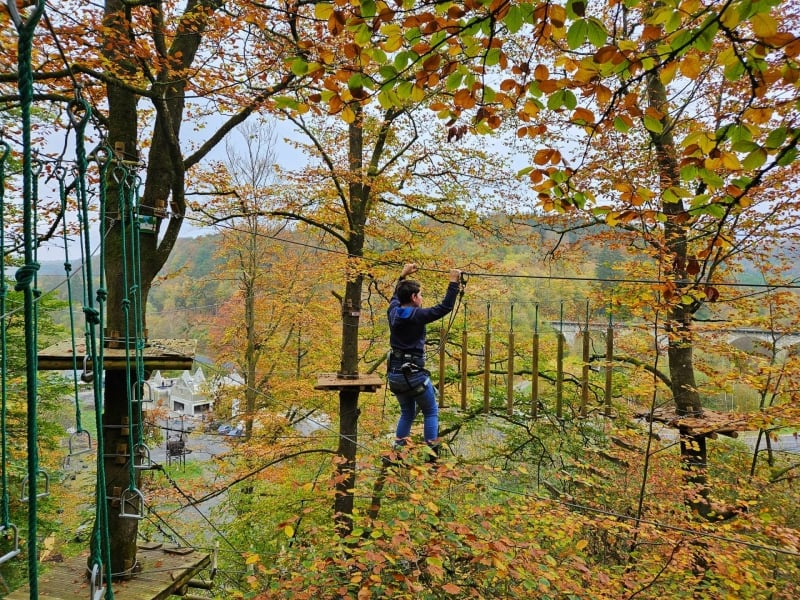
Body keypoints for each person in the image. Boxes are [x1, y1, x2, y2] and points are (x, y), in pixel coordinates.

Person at [386, 263, 462, 462]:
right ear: (413, 298)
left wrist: (402, 276)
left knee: (407, 412)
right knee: (430, 411)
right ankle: (432, 454)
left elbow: (395, 295)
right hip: (414, 375)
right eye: (419, 295)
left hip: (395, 375)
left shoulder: (393, 310)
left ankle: (397, 451)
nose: (422, 298)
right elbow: (444, 307)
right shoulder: (416, 315)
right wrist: (453, 282)